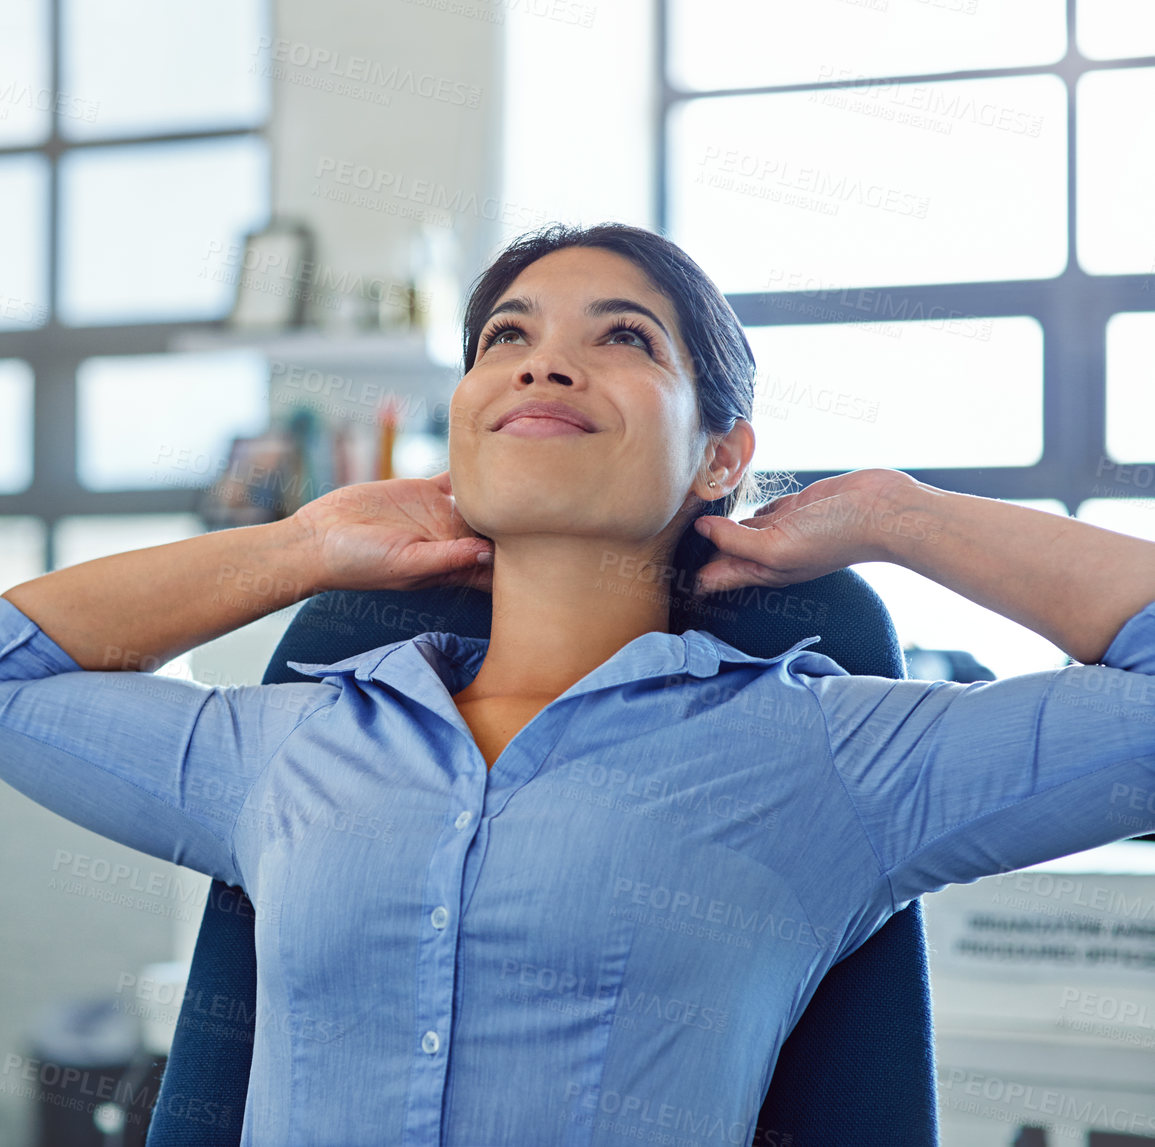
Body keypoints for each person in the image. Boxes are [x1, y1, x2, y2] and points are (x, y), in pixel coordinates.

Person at [2, 220, 1154, 1147]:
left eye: (626, 340)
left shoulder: (826, 756)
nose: (542, 360)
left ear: (721, 455)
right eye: (506, 335)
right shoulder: (298, 743)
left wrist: (901, 518)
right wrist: (298, 546)